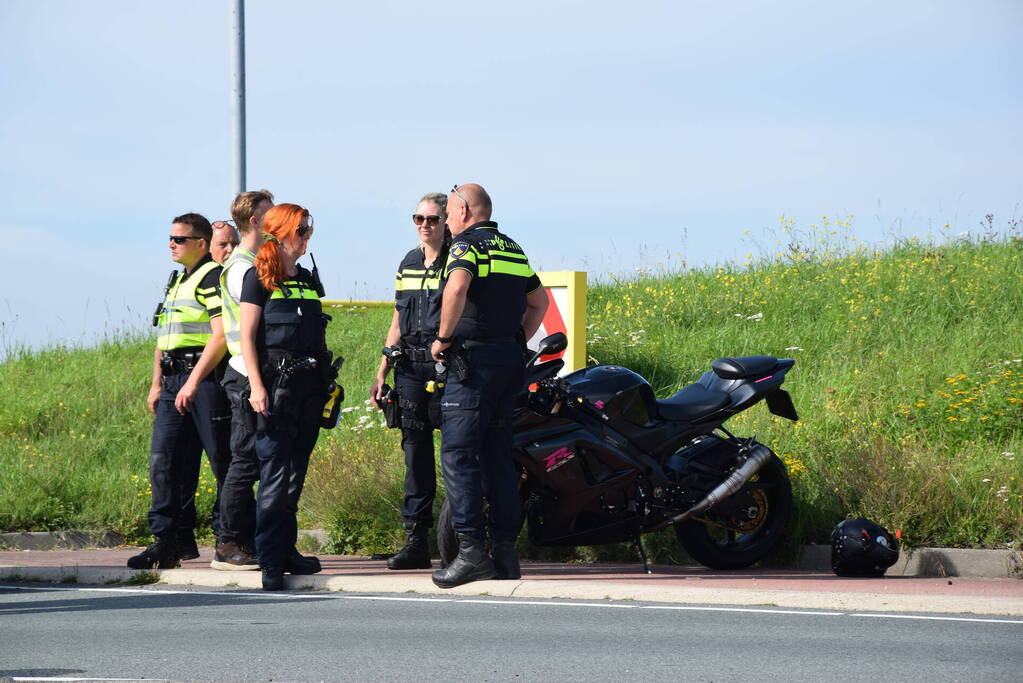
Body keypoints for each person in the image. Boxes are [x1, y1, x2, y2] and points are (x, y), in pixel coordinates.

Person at [429, 184, 549, 588]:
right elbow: (540, 303)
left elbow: (457, 287)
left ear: (464, 210)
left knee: (459, 456)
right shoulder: (513, 249)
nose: (446, 220)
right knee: (498, 458)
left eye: (449, 212)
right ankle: (505, 555)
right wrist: (515, 340)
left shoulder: (466, 247)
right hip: (507, 365)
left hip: (472, 366)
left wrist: (443, 338)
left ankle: (470, 553)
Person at [128, 213, 232, 569]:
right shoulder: (177, 281)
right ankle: (168, 542)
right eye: (170, 238)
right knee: (166, 461)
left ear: (201, 244)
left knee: (223, 462)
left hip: (204, 380)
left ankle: (232, 538)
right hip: (174, 381)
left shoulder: (211, 277)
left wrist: (193, 381)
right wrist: (156, 383)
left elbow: (220, 335)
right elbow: (164, 337)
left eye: (179, 239)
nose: (171, 244)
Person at [239, 203, 330, 591]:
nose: (307, 236)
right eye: (301, 230)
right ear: (280, 233)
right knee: (275, 479)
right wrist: (257, 387)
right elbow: (246, 338)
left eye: (309, 229)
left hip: (308, 392)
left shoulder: (306, 278)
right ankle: (271, 561)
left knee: (295, 476)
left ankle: (286, 549)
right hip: (275, 391)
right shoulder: (257, 277)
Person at [371, 192, 450, 570]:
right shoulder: (409, 262)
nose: (425, 225)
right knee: (415, 457)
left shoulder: (458, 259)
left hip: (448, 369)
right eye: (419, 218)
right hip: (409, 371)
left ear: (447, 221)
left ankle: (461, 539)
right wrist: (382, 369)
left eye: (432, 219)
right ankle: (416, 542)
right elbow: (397, 318)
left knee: (456, 455)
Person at [212, 190, 275, 571]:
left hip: (255, 373)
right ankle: (228, 542)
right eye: (270, 213)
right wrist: (256, 382)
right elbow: (252, 324)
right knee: (245, 461)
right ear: (254, 221)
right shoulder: (241, 268)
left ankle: (256, 541)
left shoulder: (255, 261)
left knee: (259, 460)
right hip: (245, 375)